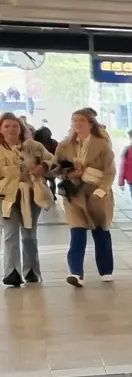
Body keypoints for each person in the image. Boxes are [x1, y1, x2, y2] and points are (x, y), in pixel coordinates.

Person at [56, 108, 116, 286]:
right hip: (74, 194)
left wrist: (101, 191)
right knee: (77, 231)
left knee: (101, 230)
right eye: (74, 120)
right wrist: (68, 174)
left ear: (90, 123)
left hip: (97, 193)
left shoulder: (102, 145)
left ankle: (106, 270)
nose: (77, 124)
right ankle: (75, 272)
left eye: (81, 120)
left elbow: (110, 171)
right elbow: (56, 167)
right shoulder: (65, 145)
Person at [0, 113, 50, 287]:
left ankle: (32, 271)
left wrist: (42, 167)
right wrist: (12, 171)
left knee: (29, 233)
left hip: (31, 195)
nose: (11, 129)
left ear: (20, 128)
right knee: (10, 234)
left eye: (14, 126)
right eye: (6, 126)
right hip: (6, 197)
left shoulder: (33, 147)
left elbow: (52, 160)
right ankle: (11, 272)